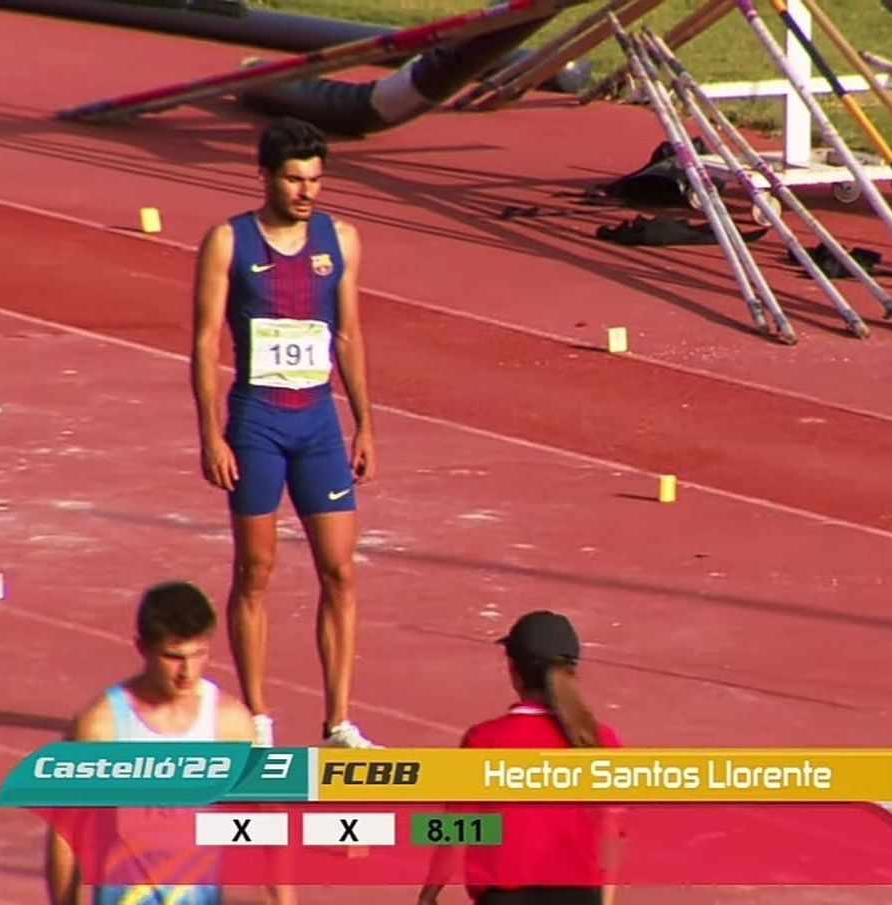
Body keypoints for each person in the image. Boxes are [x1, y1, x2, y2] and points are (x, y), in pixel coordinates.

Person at [190, 116, 378, 749]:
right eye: (295, 179)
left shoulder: (342, 240)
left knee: (341, 572)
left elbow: (349, 335)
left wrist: (365, 425)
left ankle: (340, 721)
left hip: (319, 424)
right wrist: (210, 435)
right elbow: (202, 340)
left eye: (316, 180)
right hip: (257, 424)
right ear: (266, 176)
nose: (306, 192)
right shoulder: (228, 242)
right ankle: (261, 719)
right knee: (255, 571)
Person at [45, 581, 296, 905]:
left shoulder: (229, 724)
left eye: (198, 655)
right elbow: (66, 836)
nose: (187, 672)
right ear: (142, 648)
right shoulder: (102, 727)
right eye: (173, 657)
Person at [418, 611, 625, 905]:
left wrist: (429, 895)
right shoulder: (601, 741)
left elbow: (457, 830)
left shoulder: (485, 740)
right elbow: (609, 834)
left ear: (514, 672)